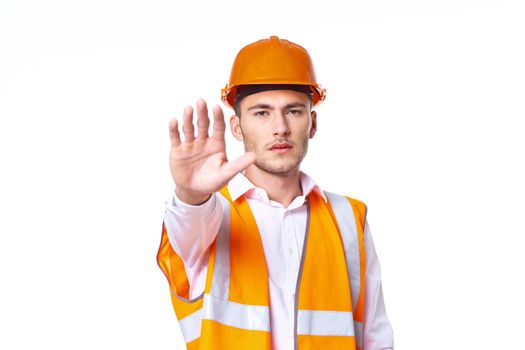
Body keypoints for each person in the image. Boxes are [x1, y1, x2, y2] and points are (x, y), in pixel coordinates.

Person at [157, 35, 394, 350]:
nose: (280, 127)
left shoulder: (349, 217)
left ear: (312, 123)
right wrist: (190, 194)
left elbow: (376, 337)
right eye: (262, 113)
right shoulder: (211, 215)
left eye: (293, 111)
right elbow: (187, 226)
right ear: (237, 127)